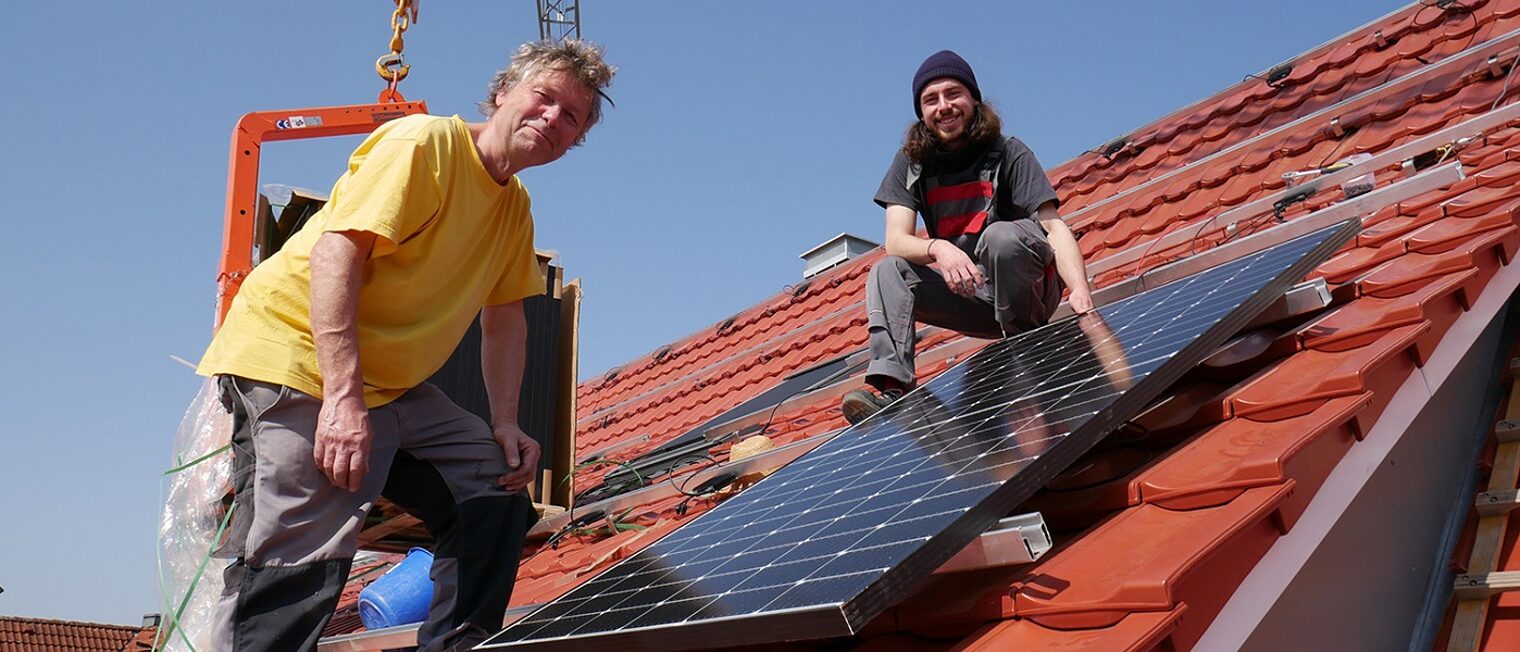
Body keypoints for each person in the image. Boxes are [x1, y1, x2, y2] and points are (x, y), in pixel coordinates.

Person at [197, 40, 616, 651]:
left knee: (496, 488)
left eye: (572, 116)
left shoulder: (514, 208)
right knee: (308, 537)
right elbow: (336, 252)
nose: (553, 118)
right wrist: (342, 401)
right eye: (544, 97)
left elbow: (506, 320)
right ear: (503, 94)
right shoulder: (423, 145)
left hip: (390, 386)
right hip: (297, 356)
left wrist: (505, 422)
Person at [841, 50, 1094, 426]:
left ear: (973, 99)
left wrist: (1080, 291)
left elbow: (1054, 226)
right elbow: (896, 240)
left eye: (953, 94)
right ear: (921, 112)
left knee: (1000, 237)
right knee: (888, 271)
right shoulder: (911, 163)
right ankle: (893, 388)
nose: (944, 106)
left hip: (1027, 290)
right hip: (972, 293)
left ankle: (1026, 345)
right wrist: (938, 247)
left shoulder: (1009, 151)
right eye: (931, 99)